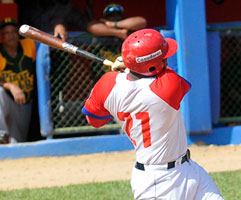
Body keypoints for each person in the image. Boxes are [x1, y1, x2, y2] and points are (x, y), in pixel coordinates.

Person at [82, 29, 223, 199]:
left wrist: (123, 72)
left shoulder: (107, 84)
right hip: (159, 184)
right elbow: (160, 75)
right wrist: (127, 69)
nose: (166, 59)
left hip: (189, 169)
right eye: (163, 58)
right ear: (152, 65)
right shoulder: (167, 88)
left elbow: (94, 120)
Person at [0, 18, 36, 143]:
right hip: (7, 98)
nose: (11, 36)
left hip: (24, 101)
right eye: (6, 33)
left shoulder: (29, 45)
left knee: (18, 142)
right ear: (2, 37)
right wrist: (10, 86)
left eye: (14, 32)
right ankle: (1, 134)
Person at [16, 0, 91, 41]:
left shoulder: (61, 5)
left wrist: (58, 23)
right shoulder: (27, 6)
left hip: (58, 52)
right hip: (33, 48)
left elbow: (86, 24)